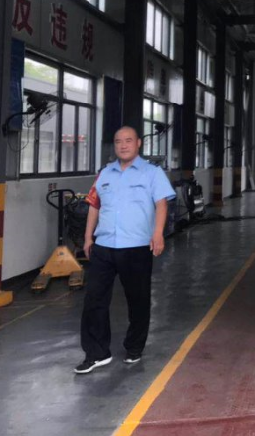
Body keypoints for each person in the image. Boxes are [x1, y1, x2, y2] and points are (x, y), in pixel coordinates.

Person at [75, 126, 175, 374]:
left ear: (138, 143)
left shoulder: (152, 173)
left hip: (136, 247)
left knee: (138, 300)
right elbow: (94, 206)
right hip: (104, 246)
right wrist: (88, 237)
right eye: (118, 141)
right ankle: (97, 353)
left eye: (128, 140)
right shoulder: (104, 174)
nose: (123, 145)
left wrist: (158, 234)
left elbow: (161, 204)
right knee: (94, 300)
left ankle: (134, 347)